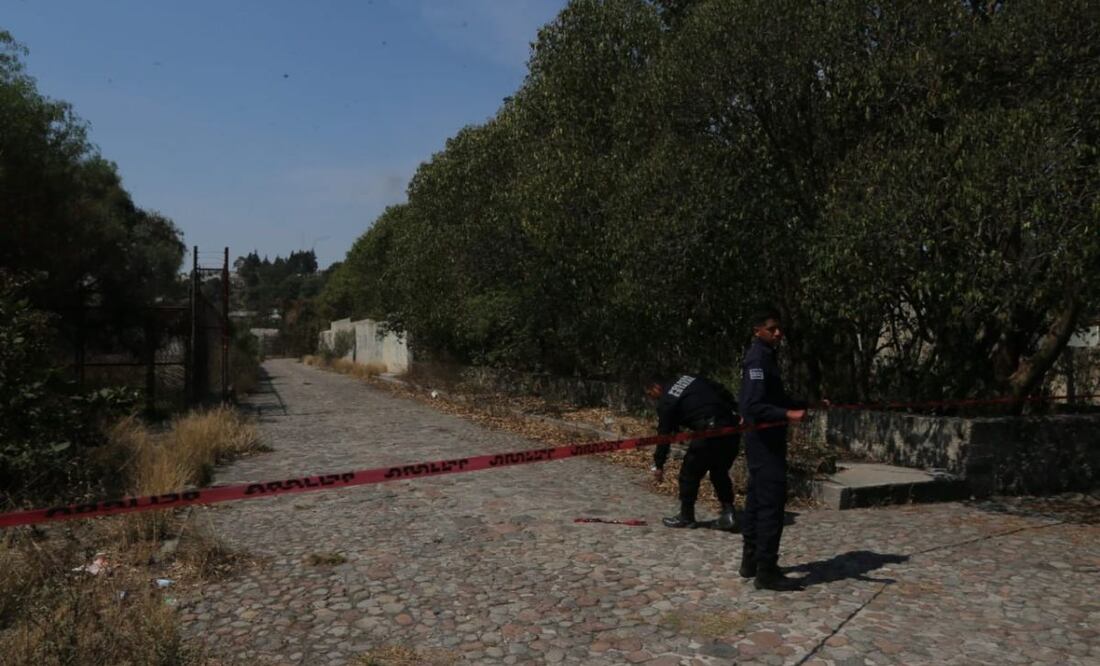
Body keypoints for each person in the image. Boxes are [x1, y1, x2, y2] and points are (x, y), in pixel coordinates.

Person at [738, 307, 813, 591]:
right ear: (758, 331)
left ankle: (751, 561)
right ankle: (766, 571)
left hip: (766, 442)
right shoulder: (757, 359)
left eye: (779, 328)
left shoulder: (767, 357)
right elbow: (752, 406)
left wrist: (804, 403)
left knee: (757, 501)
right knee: (771, 506)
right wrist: (787, 416)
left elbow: (777, 397)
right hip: (764, 442)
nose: (778, 333)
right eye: (772, 329)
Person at [645, 374, 741, 531]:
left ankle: (686, 517)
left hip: (708, 431)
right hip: (731, 427)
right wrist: (736, 409)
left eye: (650, 394)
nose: (652, 398)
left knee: (689, 474)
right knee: (719, 471)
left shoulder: (666, 401)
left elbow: (664, 436)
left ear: (656, 387)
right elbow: (720, 388)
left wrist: (659, 464)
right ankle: (729, 514)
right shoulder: (690, 378)